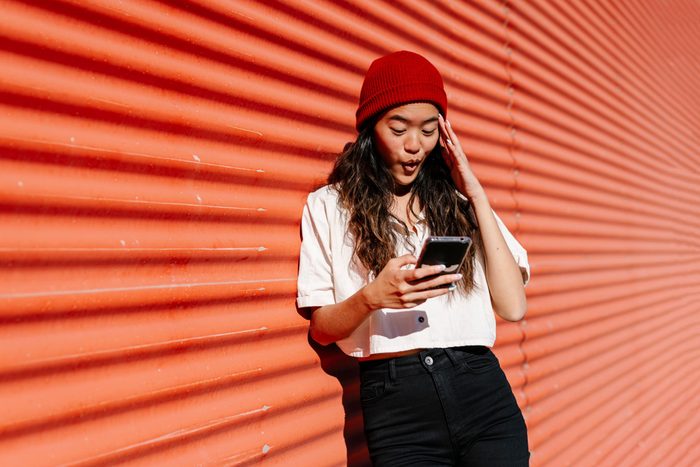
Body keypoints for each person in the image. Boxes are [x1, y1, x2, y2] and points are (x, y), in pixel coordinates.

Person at [297, 50, 531, 466]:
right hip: (397, 406)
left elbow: (513, 306)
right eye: (398, 127)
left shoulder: (461, 202)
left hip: (482, 392)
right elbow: (321, 328)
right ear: (371, 127)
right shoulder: (329, 206)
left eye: (428, 130)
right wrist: (373, 297)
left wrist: (475, 192)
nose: (414, 146)